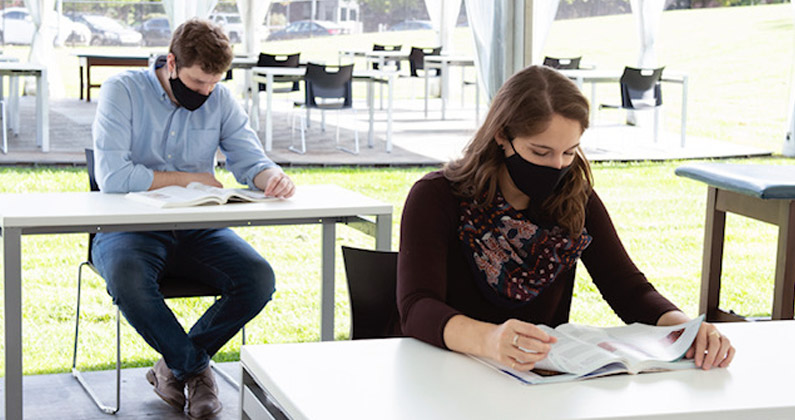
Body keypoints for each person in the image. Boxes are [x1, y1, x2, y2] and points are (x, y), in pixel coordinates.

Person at [396, 65, 734, 374]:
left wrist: (685, 329)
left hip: (534, 381)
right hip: (442, 372)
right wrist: (491, 339)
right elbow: (417, 307)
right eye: (540, 152)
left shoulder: (575, 198)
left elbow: (628, 289)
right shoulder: (437, 196)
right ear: (502, 136)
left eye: (570, 152)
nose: (557, 166)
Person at [92, 19, 295, 418]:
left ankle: (173, 366)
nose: (206, 92)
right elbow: (112, 177)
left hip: (197, 229)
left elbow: (248, 157)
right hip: (127, 230)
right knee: (128, 279)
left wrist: (270, 176)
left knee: (257, 278)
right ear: (171, 62)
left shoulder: (219, 99)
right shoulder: (123, 91)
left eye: (213, 84)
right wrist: (191, 178)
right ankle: (198, 371)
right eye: (199, 82)